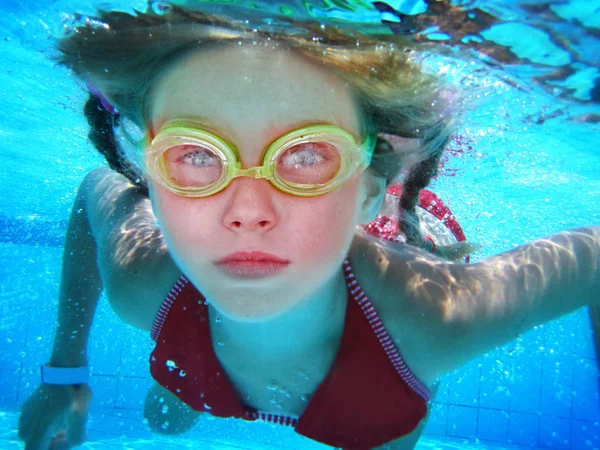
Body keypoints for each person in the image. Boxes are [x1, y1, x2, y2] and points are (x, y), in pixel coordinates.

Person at [17, 4, 600, 450]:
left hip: (375, 370)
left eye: (306, 155)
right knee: (164, 418)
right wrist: (64, 374)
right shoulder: (143, 282)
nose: (246, 209)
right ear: (152, 176)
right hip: (195, 351)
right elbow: (96, 187)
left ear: (371, 193)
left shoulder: (432, 323)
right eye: (196, 155)